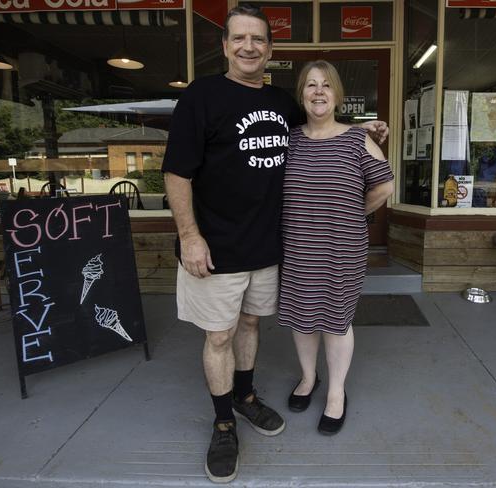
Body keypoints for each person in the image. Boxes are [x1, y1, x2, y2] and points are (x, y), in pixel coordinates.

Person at [162, 5, 387, 483]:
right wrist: (189, 236)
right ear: (224, 46)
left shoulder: (284, 102)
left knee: (249, 326)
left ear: (269, 49)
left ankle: (245, 398)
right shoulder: (201, 97)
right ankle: (224, 423)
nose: (249, 47)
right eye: (239, 38)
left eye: (258, 39)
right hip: (215, 246)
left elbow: (320, 130)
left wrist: (364, 131)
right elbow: (177, 172)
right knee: (218, 335)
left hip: (268, 249)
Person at [278, 60, 395, 435]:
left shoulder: (356, 139)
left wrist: (352, 212)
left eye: (326, 85)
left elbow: (384, 187)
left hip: (341, 249)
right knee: (302, 317)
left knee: (336, 320)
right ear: (302, 94)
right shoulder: (289, 139)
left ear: (337, 95)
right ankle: (309, 378)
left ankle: (336, 393)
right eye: (311, 85)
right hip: (296, 246)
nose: (318, 91)